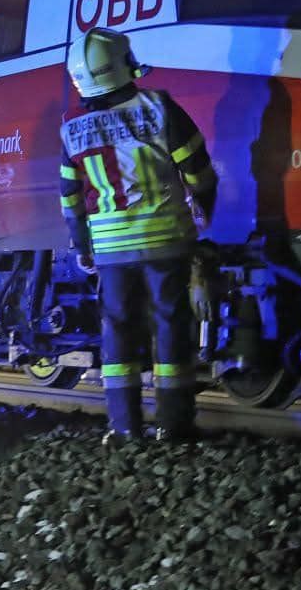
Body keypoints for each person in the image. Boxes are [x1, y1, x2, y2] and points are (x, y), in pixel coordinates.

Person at [57, 28, 217, 444]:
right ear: (125, 65)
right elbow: (197, 167)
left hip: (111, 251)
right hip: (166, 240)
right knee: (169, 325)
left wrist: (81, 244)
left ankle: (124, 426)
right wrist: (206, 206)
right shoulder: (158, 107)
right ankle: (175, 424)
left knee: (118, 331)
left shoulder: (71, 128)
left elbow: (70, 197)